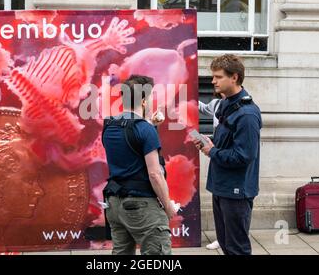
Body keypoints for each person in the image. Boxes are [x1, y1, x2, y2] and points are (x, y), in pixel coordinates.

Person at [192, 54, 262, 255]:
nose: (212, 81)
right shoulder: (225, 105)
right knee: (226, 245)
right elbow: (228, 144)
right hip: (221, 186)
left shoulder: (247, 114)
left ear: (235, 77)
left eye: (218, 76)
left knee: (237, 249)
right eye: (213, 76)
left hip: (236, 191)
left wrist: (212, 151)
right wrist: (211, 143)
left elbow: (243, 156)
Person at [102, 74, 176, 255]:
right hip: (141, 206)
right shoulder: (145, 129)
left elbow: (129, 146)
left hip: (114, 205)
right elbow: (155, 174)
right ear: (143, 101)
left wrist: (151, 125)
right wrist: (168, 207)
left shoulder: (109, 125)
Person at [198, 92, 224, 250]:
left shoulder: (242, 108)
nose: (214, 81)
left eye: (219, 77)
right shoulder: (216, 104)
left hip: (225, 156)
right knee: (219, 200)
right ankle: (222, 238)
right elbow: (201, 107)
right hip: (218, 156)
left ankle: (232, 236)